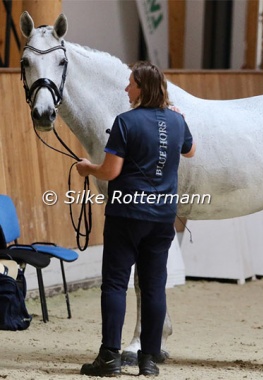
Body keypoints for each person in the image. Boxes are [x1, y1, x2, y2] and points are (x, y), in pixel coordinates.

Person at [76, 61, 195, 377]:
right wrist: (179, 119)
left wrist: (88, 167)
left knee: (115, 284)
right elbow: (191, 151)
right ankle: (149, 361)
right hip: (162, 217)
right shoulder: (177, 121)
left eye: (130, 83)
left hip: (127, 212)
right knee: (155, 287)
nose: (126, 88)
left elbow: (111, 171)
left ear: (142, 88)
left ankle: (109, 357)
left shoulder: (125, 122)